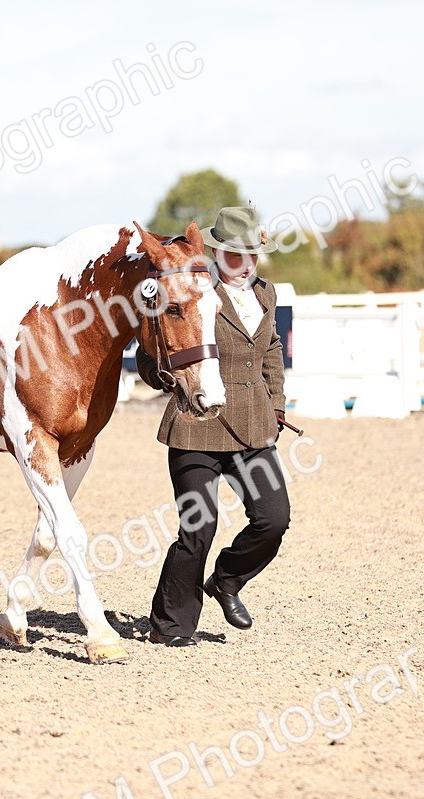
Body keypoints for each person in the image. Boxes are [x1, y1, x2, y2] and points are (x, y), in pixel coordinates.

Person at [137, 206, 291, 647]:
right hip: (195, 427)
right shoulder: (189, 292)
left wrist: (276, 406)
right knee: (197, 529)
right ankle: (169, 625)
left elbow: (272, 348)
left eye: (254, 255)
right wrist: (166, 380)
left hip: (254, 427)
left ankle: (226, 580)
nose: (247, 264)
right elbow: (150, 355)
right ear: (219, 254)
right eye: (238, 255)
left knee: (273, 520)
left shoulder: (266, 293)